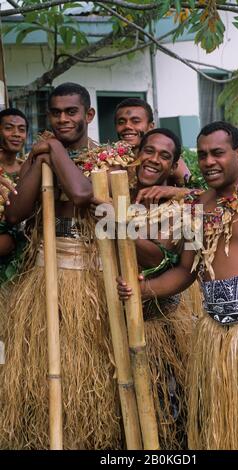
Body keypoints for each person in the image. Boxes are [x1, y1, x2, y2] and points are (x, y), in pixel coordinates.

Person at [117, 121, 238, 450]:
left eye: (217, 153)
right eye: (202, 155)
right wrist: (142, 290)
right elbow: (186, 271)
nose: (208, 161)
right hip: (214, 335)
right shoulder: (198, 208)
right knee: (226, 431)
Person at [1, 83, 121, 449]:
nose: (63, 119)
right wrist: (43, 158)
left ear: (89, 115)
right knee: (44, 368)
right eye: (56, 113)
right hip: (44, 273)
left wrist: (53, 147)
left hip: (91, 275)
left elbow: (84, 195)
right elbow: (16, 212)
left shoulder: (111, 158)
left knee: (93, 368)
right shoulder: (39, 157)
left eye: (71, 112)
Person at [129, 128, 194, 449]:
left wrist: (116, 226)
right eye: (149, 151)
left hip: (158, 328)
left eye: (164, 156)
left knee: (164, 420)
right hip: (108, 327)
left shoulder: (181, 207)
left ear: (172, 167)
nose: (154, 160)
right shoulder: (114, 191)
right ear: (136, 153)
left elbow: (163, 257)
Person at [114, 98, 191, 186]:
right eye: (121, 122)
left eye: (135, 121)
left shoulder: (165, 159)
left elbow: (194, 190)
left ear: (151, 126)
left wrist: (172, 191)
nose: (127, 126)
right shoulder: (110, 159)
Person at [0, 108, 27, 277]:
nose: (16, 134)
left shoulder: (28, 169)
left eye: (22, 129)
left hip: (22, 261)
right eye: (9, 128)